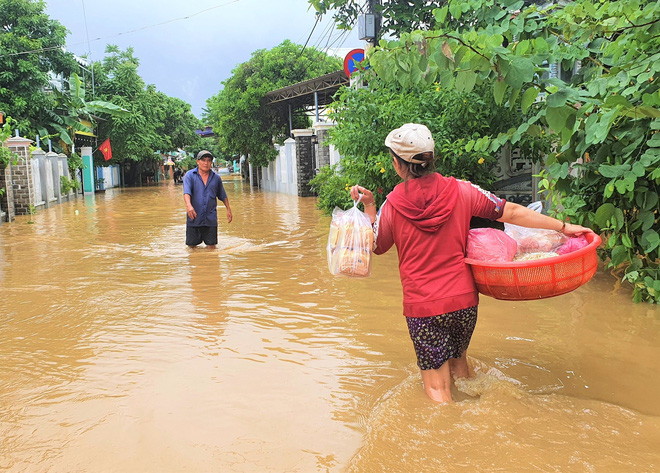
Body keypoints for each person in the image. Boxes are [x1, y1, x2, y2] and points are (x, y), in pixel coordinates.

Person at [350, 123, 593, 403]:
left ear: (397, 164)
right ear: (431, 158)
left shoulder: (392, 204)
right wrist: (563, 226)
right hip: (464, 302)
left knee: (437, 389)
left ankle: (454, 440)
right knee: (461, 373)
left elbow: (378, 246)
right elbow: (510, 212)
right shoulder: (462, 190)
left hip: (424, 307)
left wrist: (370, 207)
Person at [183, 150, 233, 248]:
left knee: (211, 248)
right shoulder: (190, 175)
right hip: (194, 218)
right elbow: (186, 192)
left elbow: (223, 195)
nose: (206, 163)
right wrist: (189, 206)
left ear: (211, 163)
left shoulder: (216, 178)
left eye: (208, 160)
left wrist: (228, 210)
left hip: (210, 219)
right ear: (198, 161)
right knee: (192, 248)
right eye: (203, 160)